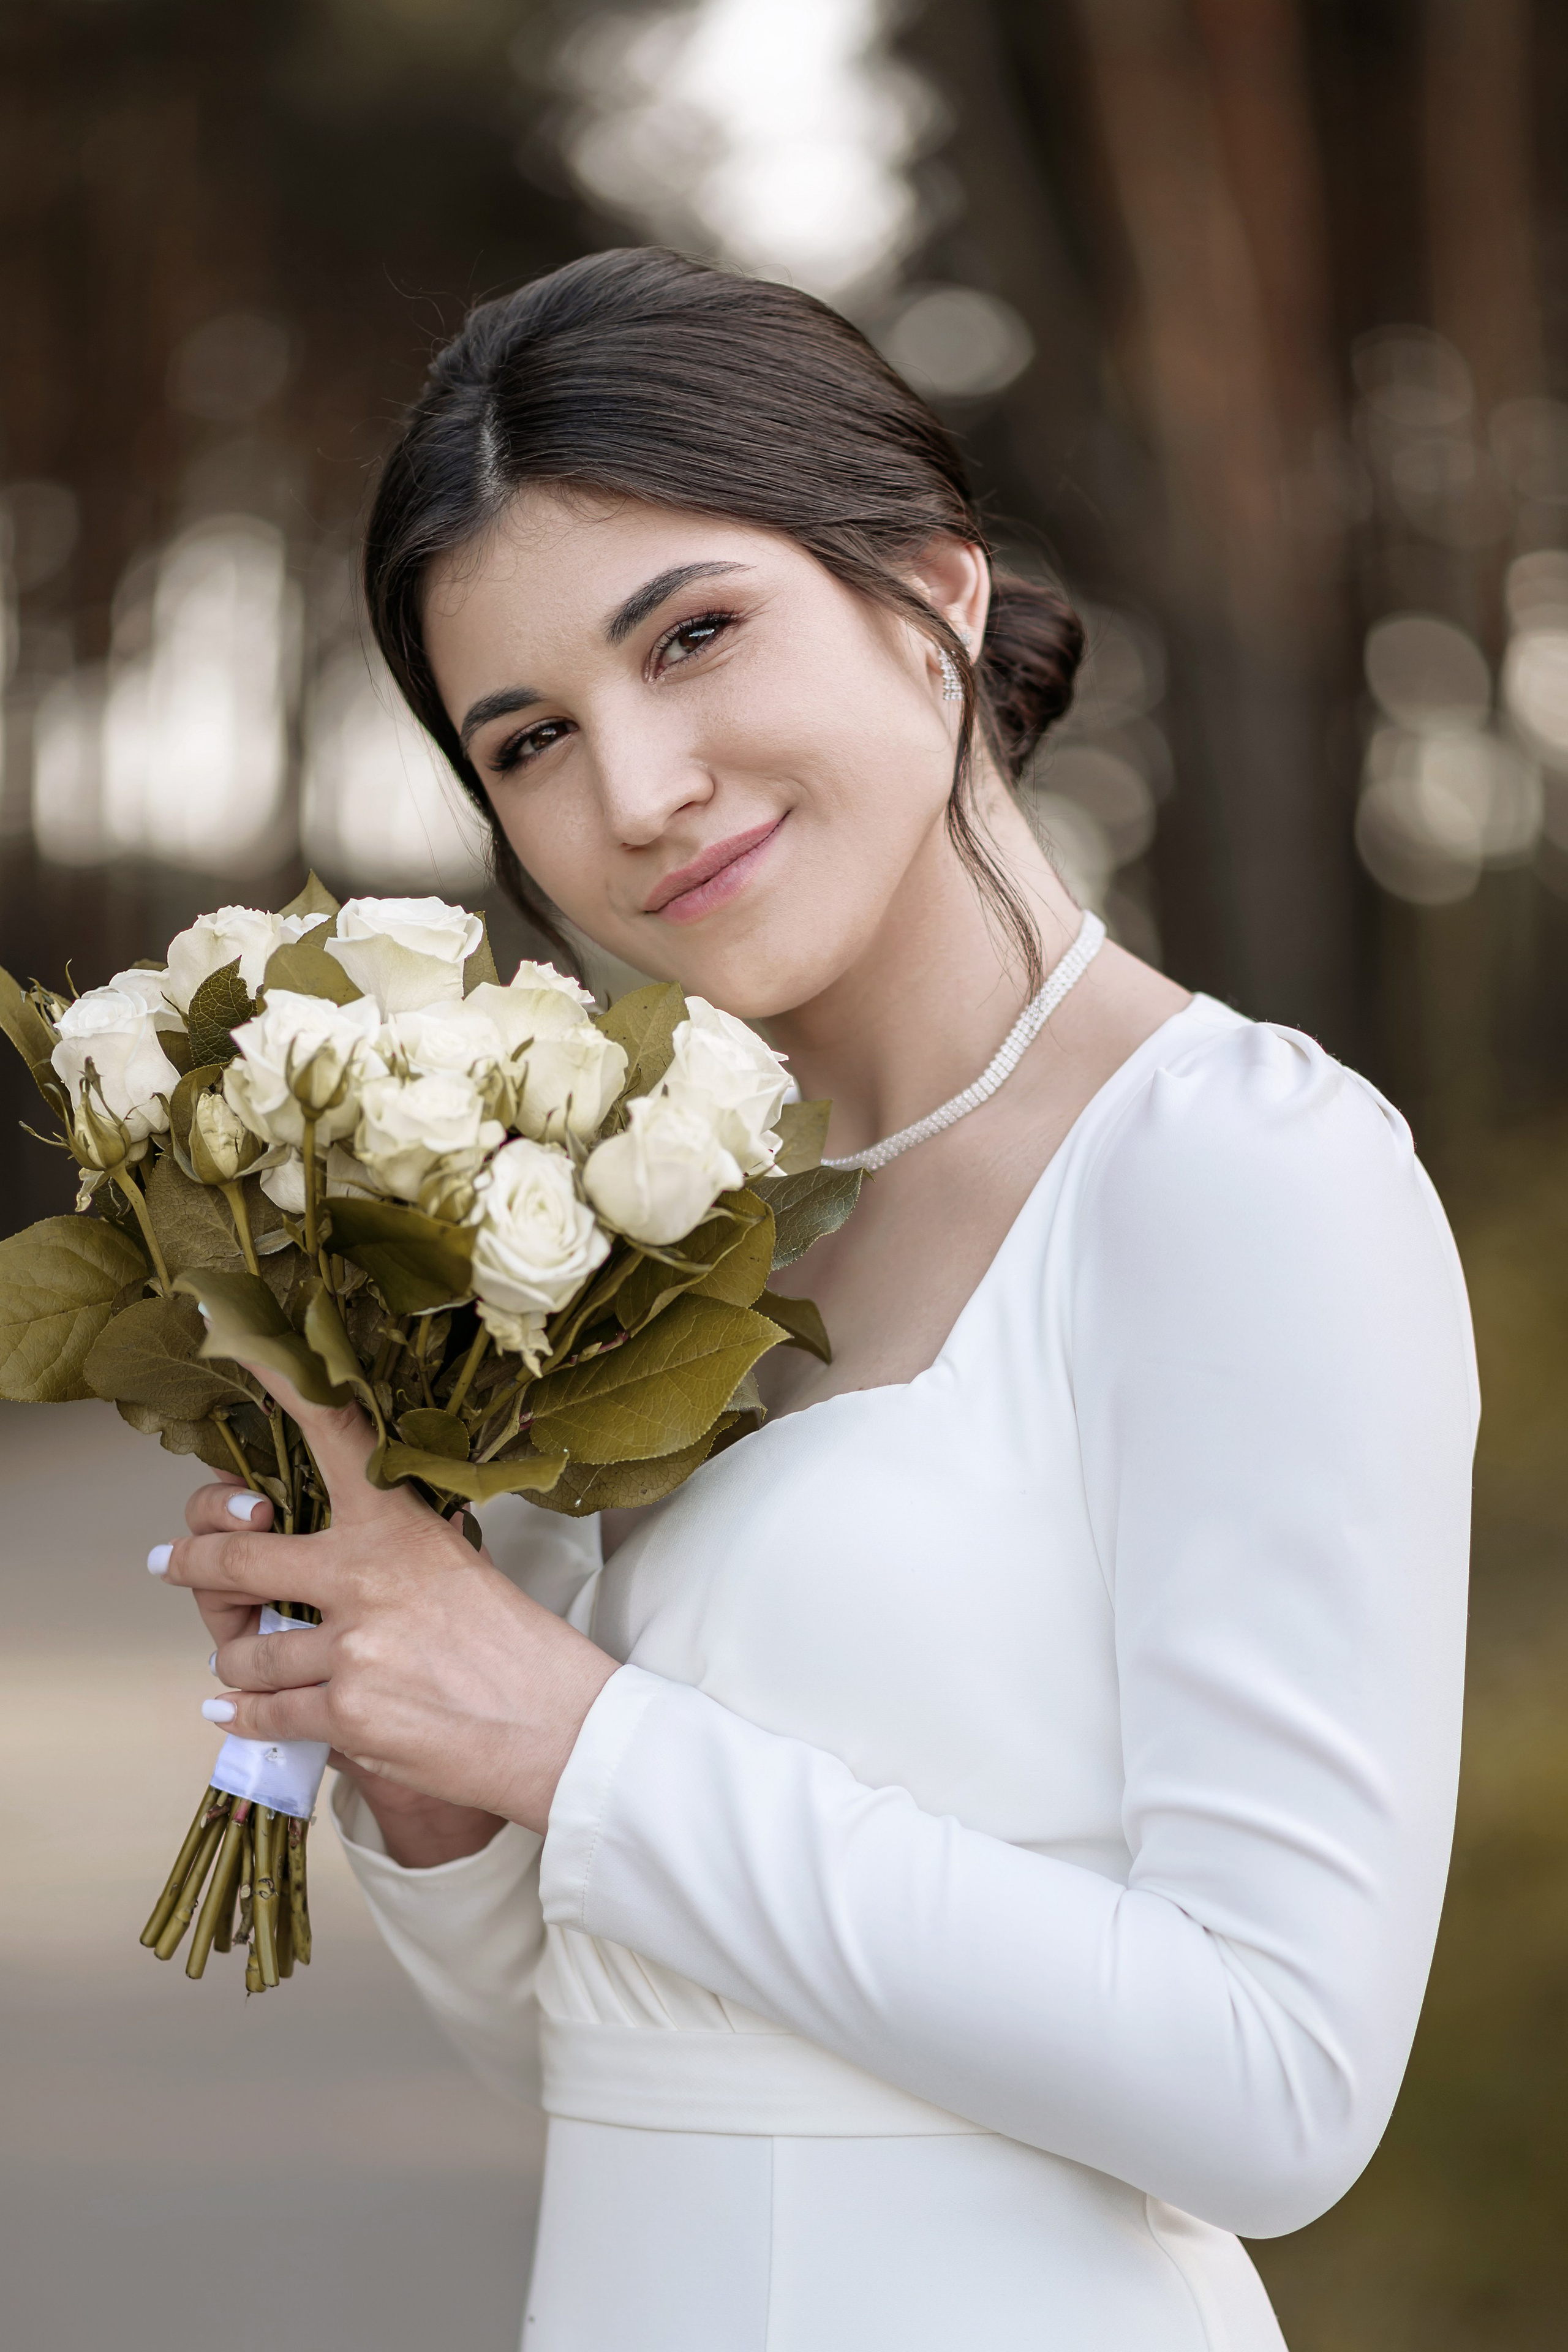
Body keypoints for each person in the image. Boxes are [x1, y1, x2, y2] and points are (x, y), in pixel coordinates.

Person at [156, 249, 1477, 2350]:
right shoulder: (660, 1237)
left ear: (936, 591)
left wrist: (574, 1733)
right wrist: (415, 1741)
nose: (639, 788)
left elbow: (1280, 2089)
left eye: (694, 636)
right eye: (532, 740)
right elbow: (622, 2057)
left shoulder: (1232, 1166)